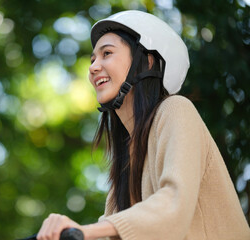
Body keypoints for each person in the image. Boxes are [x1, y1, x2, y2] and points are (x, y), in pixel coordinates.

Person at [36, 10, 250, 240]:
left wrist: (83, 231)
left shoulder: (176, 109)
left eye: (106, 53)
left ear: (147, 61)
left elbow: (173, 204)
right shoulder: (128, 159)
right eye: (92, 60)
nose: (93, 67)